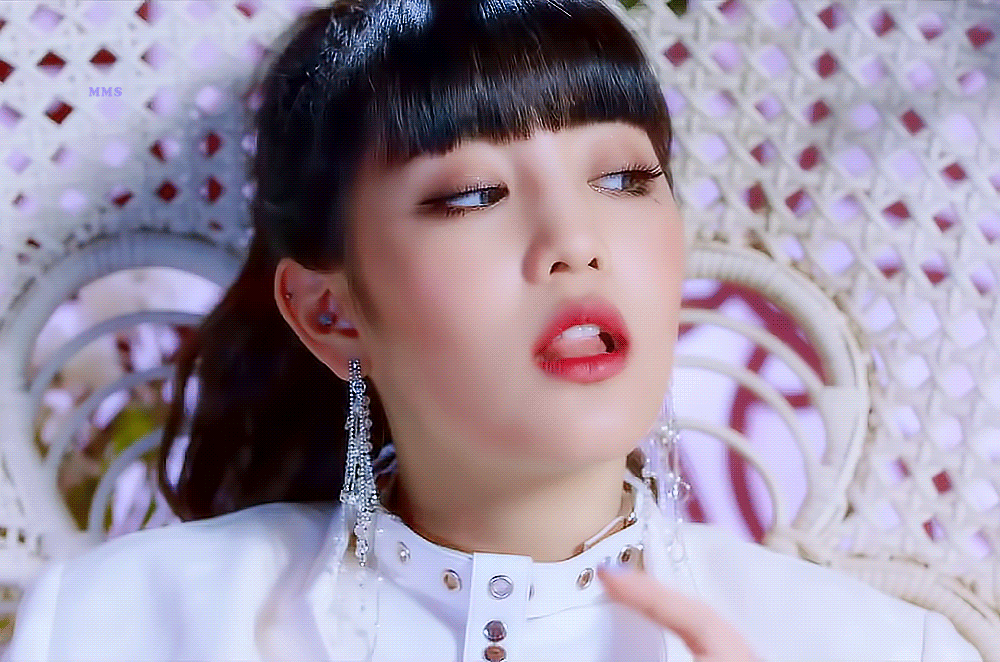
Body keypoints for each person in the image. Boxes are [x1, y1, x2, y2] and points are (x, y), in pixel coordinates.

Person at [2, 1, 985, 661]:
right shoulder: (113, 627)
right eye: (472, 195)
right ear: (331, 312)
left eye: (623, 179)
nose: (574, 243)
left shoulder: (877, 647)